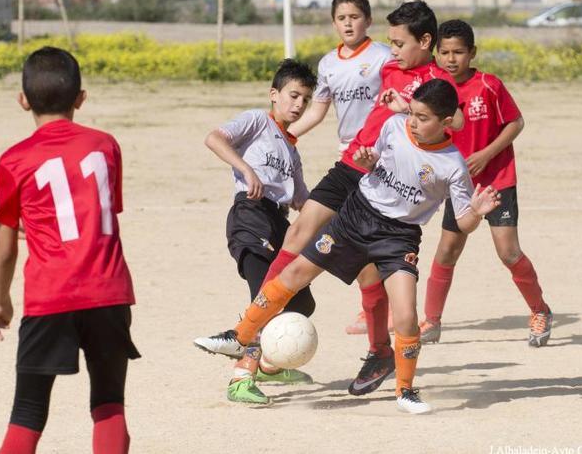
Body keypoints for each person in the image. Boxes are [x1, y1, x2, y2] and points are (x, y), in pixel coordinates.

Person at [195, 79, 500, 414]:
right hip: (356, 217)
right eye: (412, 113)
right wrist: (369, 163)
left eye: (422, 118)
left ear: (445, 124)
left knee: (407, 316)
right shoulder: (394, 125)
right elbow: (378, 168)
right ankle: (239, 336)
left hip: (398, 237)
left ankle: (405, 391)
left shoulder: (453, 164)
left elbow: (463, 222)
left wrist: (479, 213)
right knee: (295, 272)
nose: (413, 121)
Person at [278, 0, 460, 396]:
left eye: (399, 42)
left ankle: (379, 351)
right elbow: (342, 90)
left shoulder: (436, 81)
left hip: (381, 178)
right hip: (352, 163)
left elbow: (456, 120)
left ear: (424, 41)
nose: (392, 49)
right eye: (390, 42)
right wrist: (287, 129)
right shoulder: (388, 66)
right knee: (298, 234)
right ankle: (252, 329)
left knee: (368, 272)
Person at [0, 47, 139, 454]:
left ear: (23, 101)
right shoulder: (106, 146)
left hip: (51, 296)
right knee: (109, 405)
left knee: (28, 414)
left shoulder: (15, 160)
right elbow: (94, 211)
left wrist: (0, 302)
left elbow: (4, 249)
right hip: (108, 293)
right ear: (80, 98)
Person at [420, 19, 553, 347]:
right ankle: (432, 321)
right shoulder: (437, 90)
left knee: (508, 252)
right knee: (447, 249)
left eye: (459, 52)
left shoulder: (489, 85)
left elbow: (516, 122)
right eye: (445, 52)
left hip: (497, 181)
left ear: (472, 53)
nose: (452, 59)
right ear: (437, 53)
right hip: (460, 185)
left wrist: (486, 153)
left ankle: (540, 310)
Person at [202, 58, 318, 404]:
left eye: (305, 100)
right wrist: (246, 170)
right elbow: (214, 138)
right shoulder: (256, 121)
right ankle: (240, 379)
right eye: (293, 96)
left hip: (279, 223)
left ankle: (270, 363)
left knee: (302, 301)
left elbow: (300, 198)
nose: (298, 105)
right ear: (274, 94)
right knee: (264, 299)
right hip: (250, 215)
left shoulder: (291, 147)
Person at [285, 0, 392, 336]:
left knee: (363, 238)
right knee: (314, 230)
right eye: (341, 18)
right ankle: (270, 300)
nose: (348, 24)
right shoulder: (328, 64)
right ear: (333, 23)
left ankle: (375, 313)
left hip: (380, 159)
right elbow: (317, 110)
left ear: (368, 20)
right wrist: (285, 134)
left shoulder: (382, 57)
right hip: (347, 159)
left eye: (354, 17)